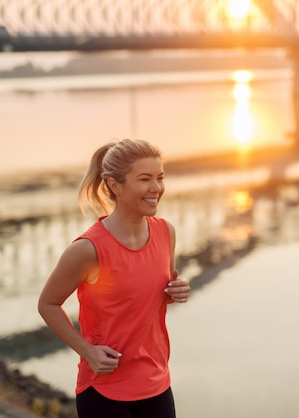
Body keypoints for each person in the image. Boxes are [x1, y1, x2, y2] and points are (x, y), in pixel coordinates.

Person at [38, 138, 191, 418]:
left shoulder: (165, 233)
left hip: (156, 380)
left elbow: (152, 294)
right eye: (144, 179)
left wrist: (176, 291)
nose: (156, 188)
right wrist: (87, 351)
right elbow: (47, 304)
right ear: (114, 185)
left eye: (160, 178)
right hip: (104, 388)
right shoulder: (88, 249)